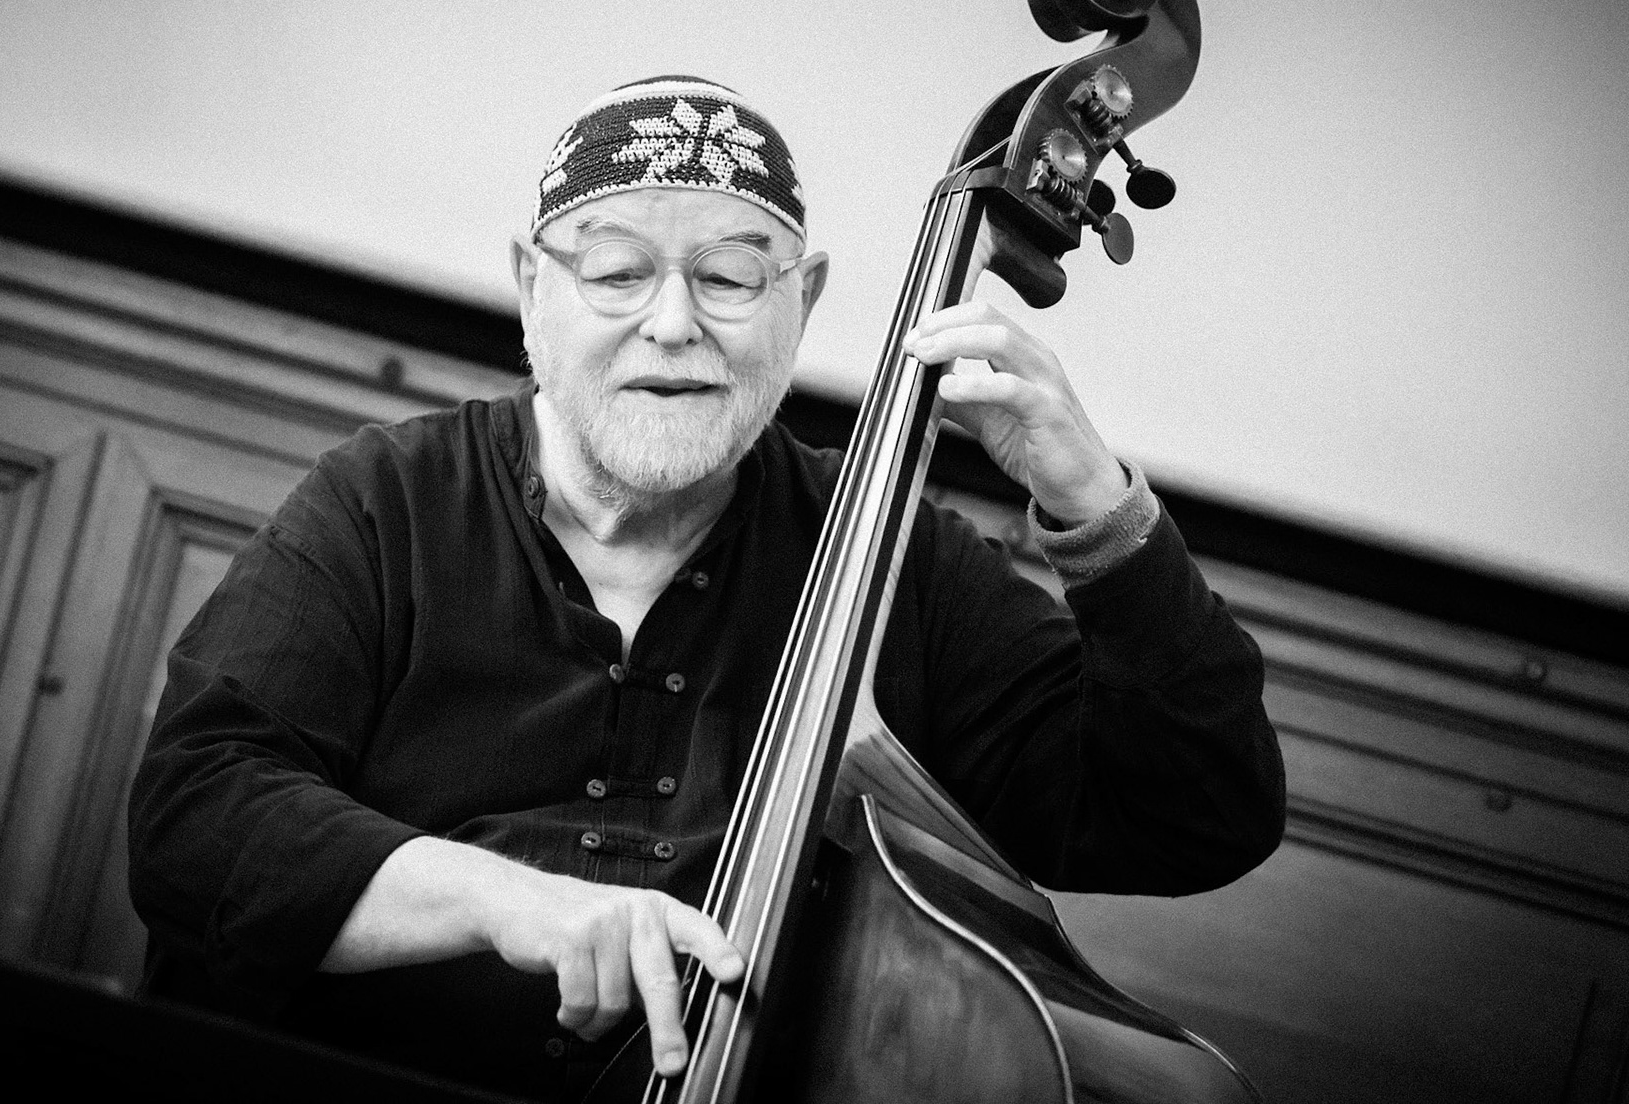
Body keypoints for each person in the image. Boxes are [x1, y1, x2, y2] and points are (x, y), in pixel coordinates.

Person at [127, 75, 1285, 1101]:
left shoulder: (893, 560)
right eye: (619, 270)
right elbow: (197, 816)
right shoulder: (386, 502)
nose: (673, 324)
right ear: (534, 285)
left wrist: (1093, 501)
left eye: (731, 277)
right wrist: (507, 902)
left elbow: (1195, 813)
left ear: (805, 297)